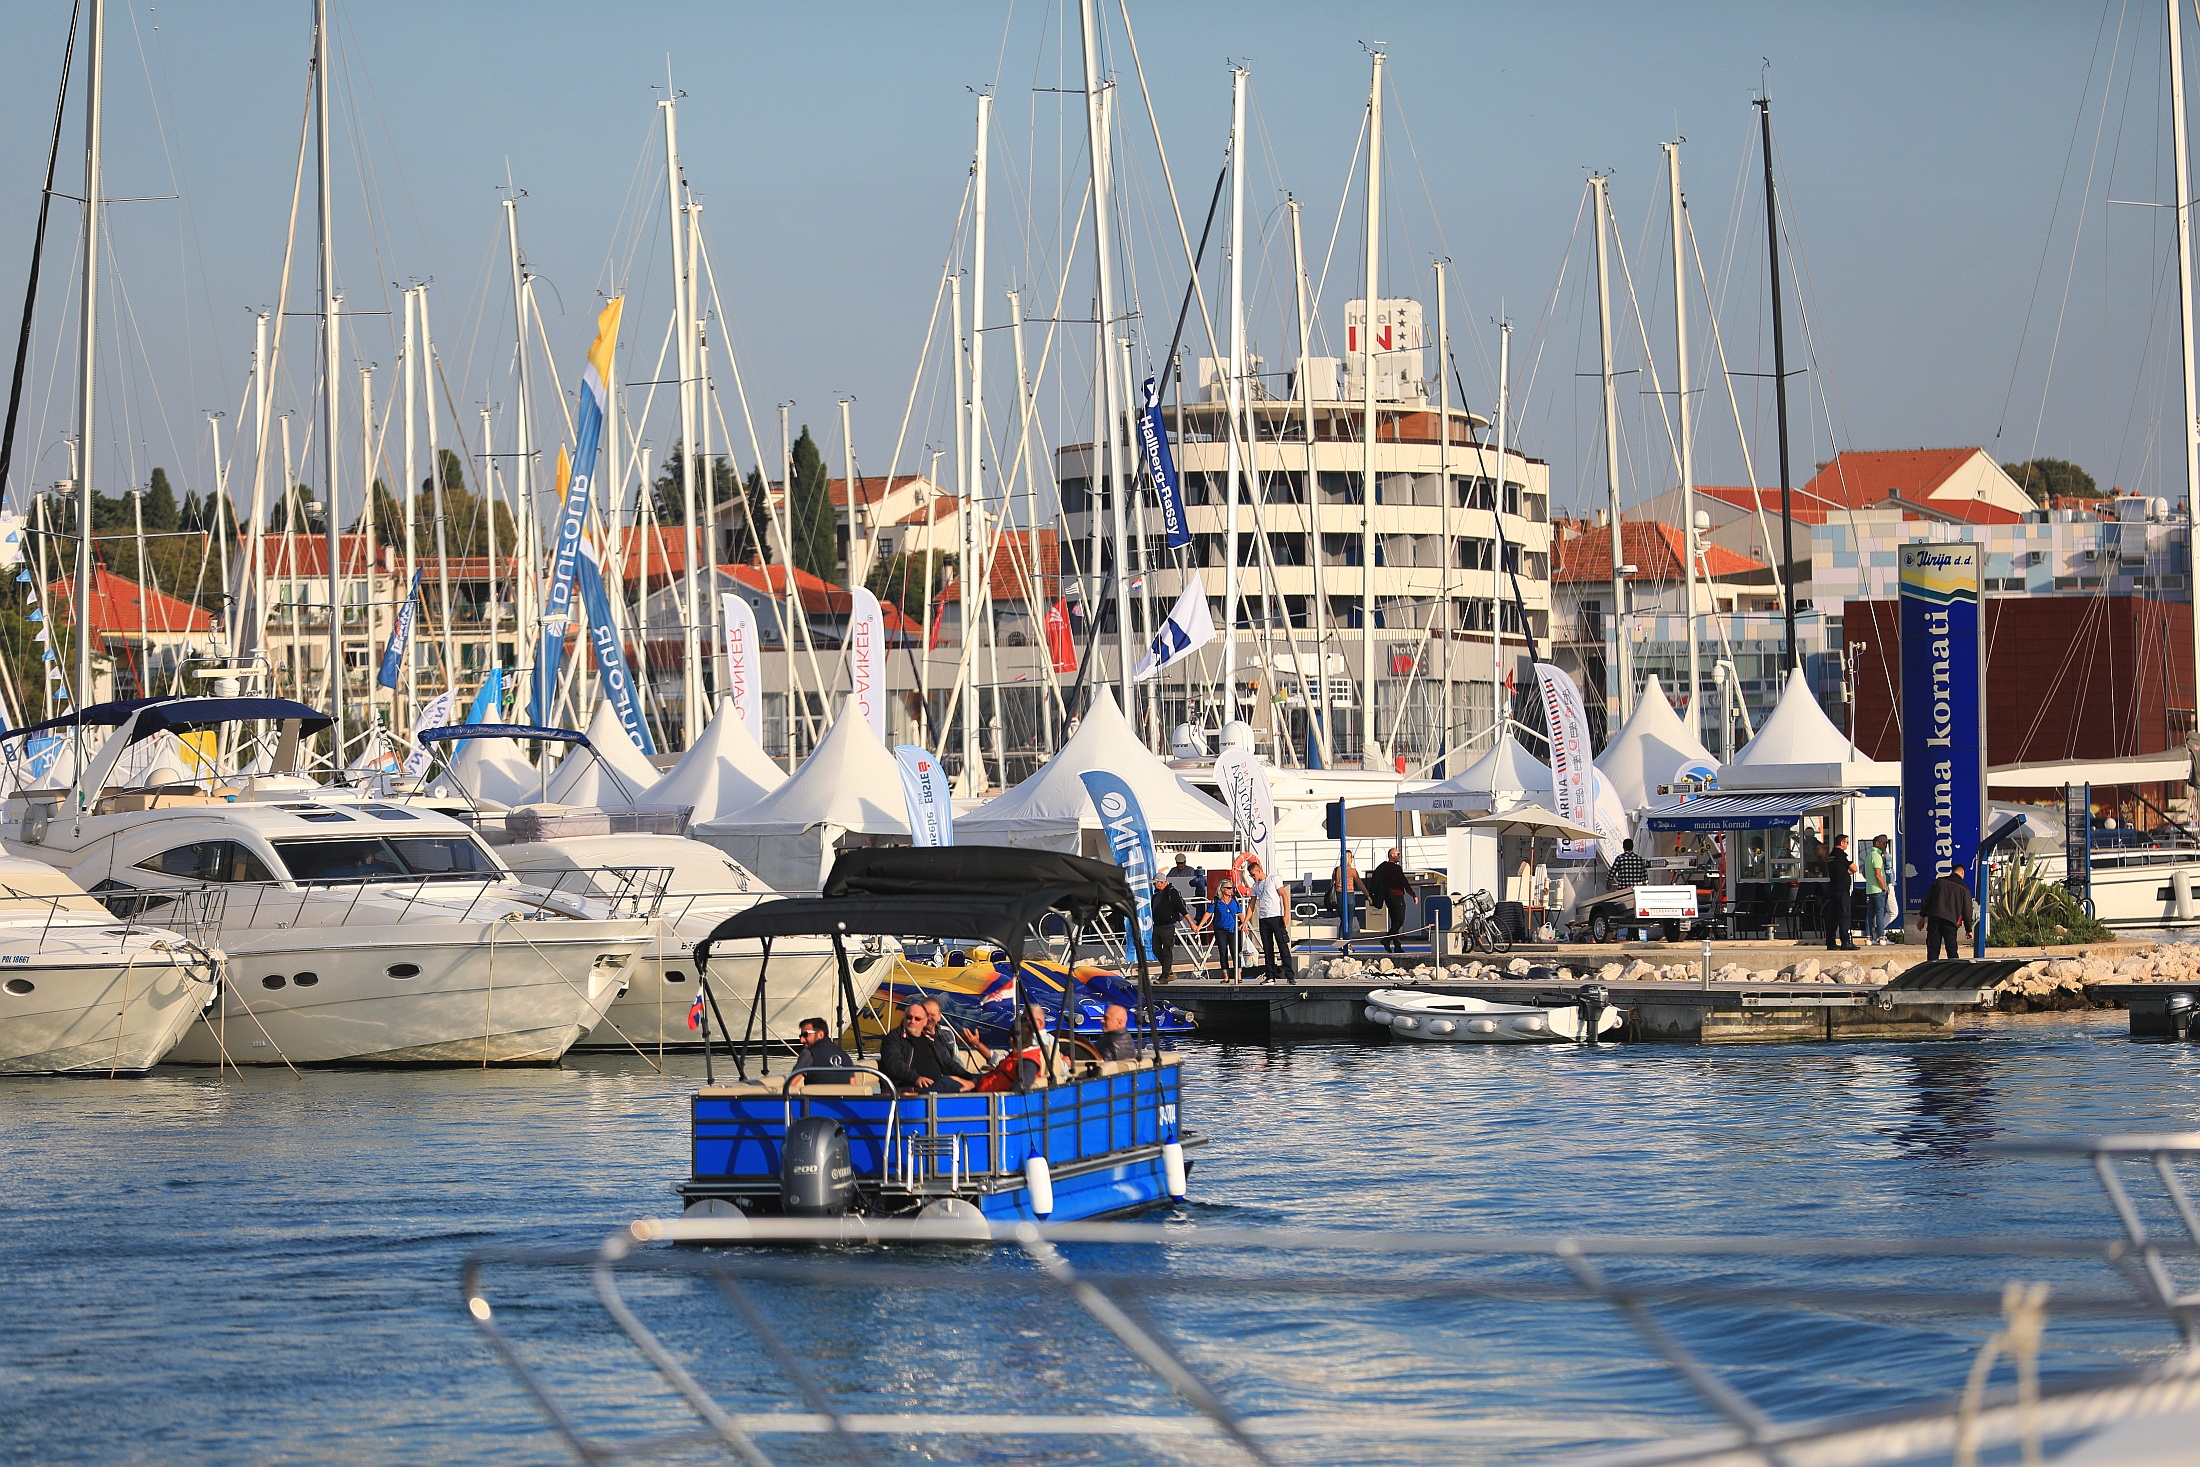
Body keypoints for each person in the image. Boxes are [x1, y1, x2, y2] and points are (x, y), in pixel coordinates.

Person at [878, 1005, 974, 1093]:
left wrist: (969, 1077)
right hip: (911, 1089)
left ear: (925, 1022)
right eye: (909, 1017)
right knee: (946, 1082)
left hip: (936, 1086)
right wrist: (916, 1078)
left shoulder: (931, 1039)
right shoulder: (894, 1038)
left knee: (978, 1080)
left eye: (917, 1019)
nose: (912, 1021)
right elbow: (894, 1063)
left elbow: (948, 1063)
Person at [1917, 863, 1975, 961]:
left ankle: (1932, 969)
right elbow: (1967, 910)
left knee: (1933, 951)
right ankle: (1953, 969)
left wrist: (1922, 916)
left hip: (1934, 920)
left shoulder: (1939, 882)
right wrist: (1968, 929)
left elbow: (1926, 900)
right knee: (1952, 951)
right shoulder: (1964, 889)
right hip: (1951, 923)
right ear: (1962, 872)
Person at [1247, 857, 1292, 983]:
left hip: (1276, 917)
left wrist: (1286, 914)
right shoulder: (1255, 886)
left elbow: (1284, 896)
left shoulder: (1273, 879)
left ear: (1259, 871)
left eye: (1253, 875)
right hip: (1264, 919)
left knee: (1282, 946)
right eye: (1251, 876)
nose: (1253, 877)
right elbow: (1252, 904)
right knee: (1267, 948)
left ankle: (1290, 976)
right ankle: (1270, 976)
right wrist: (1245, 921)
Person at [919, 997, 993, 1073]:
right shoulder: (914, 1035)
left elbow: (956, 1060)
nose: (929, 1018)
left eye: (932, 1015)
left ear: (939, 1017)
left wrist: (965, 1077)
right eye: (926, 1014)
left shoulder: (947, 1032)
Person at [1150, 874, 1201, 983]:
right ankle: (1169, 971)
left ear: (1162, 882)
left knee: (1167, 950)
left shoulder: (1171, 892)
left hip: (1168, 926)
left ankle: (1164, 976)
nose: (1154, 885)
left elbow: (1181, 908)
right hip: (1157, 926)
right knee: (1156, 949)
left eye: (1155, 883)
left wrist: (1191, 923)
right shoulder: (1156, 895)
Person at [786, 1016, 855, 1089]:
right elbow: (853, 1086)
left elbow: (790, 1084)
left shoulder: (809, 1053)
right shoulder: (845, 1056)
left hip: (816, 1096)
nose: (801, 1040)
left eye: (805, 1035)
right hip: (843, 1096)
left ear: (820, 1034)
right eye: (800, 1036)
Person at [1367, 847, 1409, 954]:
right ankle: (1386, 939)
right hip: (1397, 897)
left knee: (1394, 921)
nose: (1399, 856)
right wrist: (1413, 894)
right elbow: (1404, 882)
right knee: (1399, 920)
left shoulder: (1382, 868)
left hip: (1388, 898)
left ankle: (1397, 946)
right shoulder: (1396, 868)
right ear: (1392, 855)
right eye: (1397, 854)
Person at [1823, 834, 1859, 951]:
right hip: (1842, 890)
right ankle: (1845, 941)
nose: (1847, 845)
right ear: (1842, 843)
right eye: (1847, 842)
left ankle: (1831, 942)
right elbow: (1854, 868)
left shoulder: (1831, 856)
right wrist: (1847, 873)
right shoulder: (1841, 855)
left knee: (1832, 917)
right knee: (1844, 915)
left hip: (1832, 889)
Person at [1210, 877, 1244, 985]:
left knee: (1235, 951)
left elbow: (1239, 912)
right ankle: (1226, 976)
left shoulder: (1234, 899)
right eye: (1228, 888)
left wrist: (1244, 924)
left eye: (1231, 888)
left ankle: (1238, 975)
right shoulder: (1217, 900)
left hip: (1233, 929)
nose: (1231, 890)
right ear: (1222, 889)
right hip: (1220, 929)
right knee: (1223, 952)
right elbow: (1209, 912)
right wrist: (1199, 926)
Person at [1864, 834, 1892, 945]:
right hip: (1878, 889)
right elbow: (1878, 875)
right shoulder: (1876, 856)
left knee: (1870, 914)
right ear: (1877, 843)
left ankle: (1869, 937)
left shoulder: (1868, 856)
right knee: (1880, 913)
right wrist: (1884, 887)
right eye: (1884, 843)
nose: (1886, 845)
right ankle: (1881, 936)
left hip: (1870, 889)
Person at [1331, 851, 1364, 925]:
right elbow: (1360, 884)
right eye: (1352, 857)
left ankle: (1341, 932)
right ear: (1349, 858)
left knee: (1343, 920)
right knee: (1349, 920)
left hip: (1339, 895)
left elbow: (1332, 883)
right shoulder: (1352, 871)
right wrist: (1368, 895)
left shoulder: (1337, 870)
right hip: (1349, 894)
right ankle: (1348, 932)